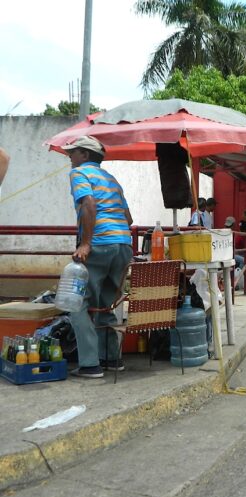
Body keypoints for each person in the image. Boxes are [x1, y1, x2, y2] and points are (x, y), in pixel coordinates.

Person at [61, 136, 133, 378]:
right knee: (106, 303)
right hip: (123, 244)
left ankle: (90, 364)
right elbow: (128, 217)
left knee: (78, 303)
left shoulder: (79, 173)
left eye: (73, 152)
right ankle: (111, 359)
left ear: (85, 156)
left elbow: (89, 204)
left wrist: (85, 243)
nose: (69, 156)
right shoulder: (112, 179)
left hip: (100, 244)